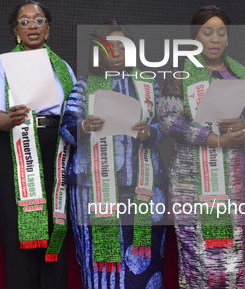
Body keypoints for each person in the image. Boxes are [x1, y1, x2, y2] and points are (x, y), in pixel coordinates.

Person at [158, 6, 245, 288]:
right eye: (207, 32)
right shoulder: (180, 72)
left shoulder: (243, 72)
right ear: (195, 37)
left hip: (239, 185)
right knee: (200, 256)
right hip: (193, 186)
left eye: (221, 32)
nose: (215, 38)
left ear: (229, 38)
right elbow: (168, 120)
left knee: (240, 255)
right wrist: (214, 138)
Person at [61, 21, 167, 288]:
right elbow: (66, 131)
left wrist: (149, 132)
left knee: (144, 265)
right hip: (93, 190)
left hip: (144, 187)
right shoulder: (84, 86)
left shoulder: (149, 85)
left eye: (122, 47)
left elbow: (166, 126)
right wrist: (85, 126)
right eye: (109, 48)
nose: (116, 53)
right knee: (101, 266)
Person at [0, 0, 76, 289]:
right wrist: (11, 118)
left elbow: (74, 111)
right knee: (18, 229)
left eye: (38, 20)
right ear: (15, 30)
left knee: (55, 225)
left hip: (57, 151)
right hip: (18, 152)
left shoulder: (63, 68)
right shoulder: (2, 66)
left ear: (48, 28)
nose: (32, 26)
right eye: (24, 21)